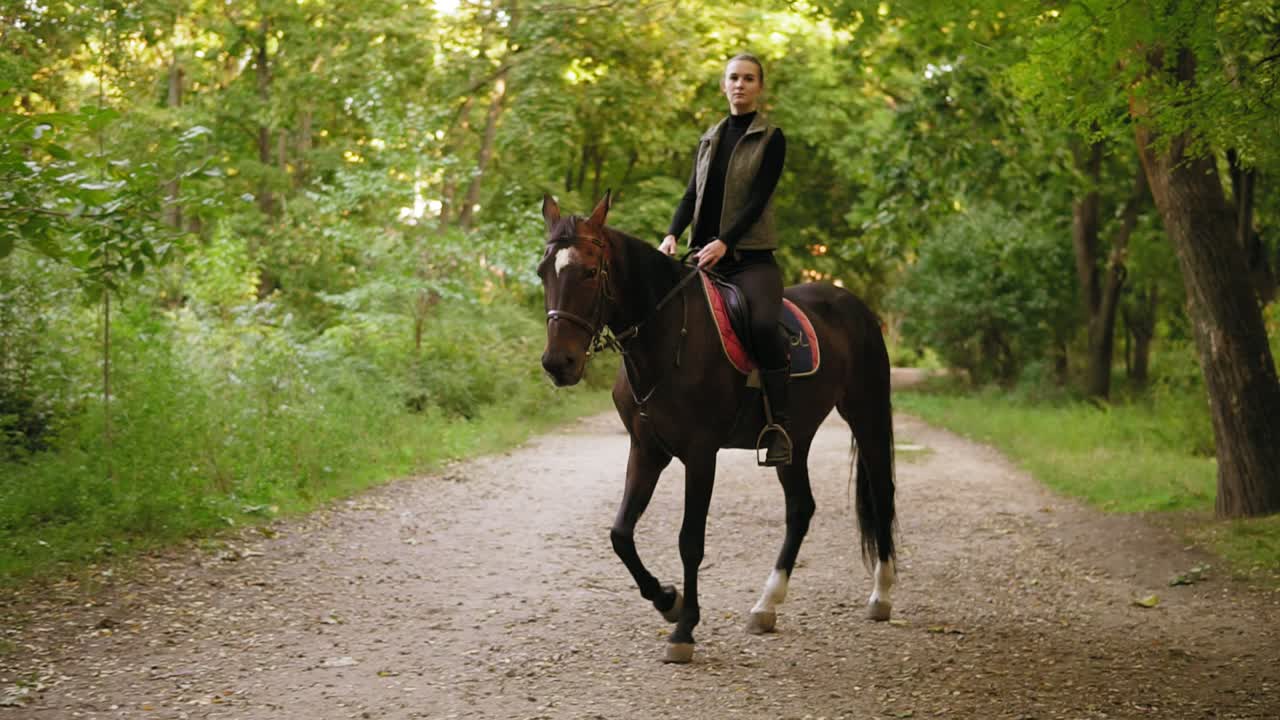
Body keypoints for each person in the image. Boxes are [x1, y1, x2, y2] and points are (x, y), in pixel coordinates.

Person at [661, 52, 791, 466]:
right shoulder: (709, 139)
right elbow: (690, 196)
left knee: (764, 326)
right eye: (734, 77)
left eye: (749, 78)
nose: (740, 84)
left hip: (751, 260)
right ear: (724, 85)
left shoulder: (771, 138)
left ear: (760, 87)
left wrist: (725, 241)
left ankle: (779, 424)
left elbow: (758, 200)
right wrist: (671, 233)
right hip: (703, 259)